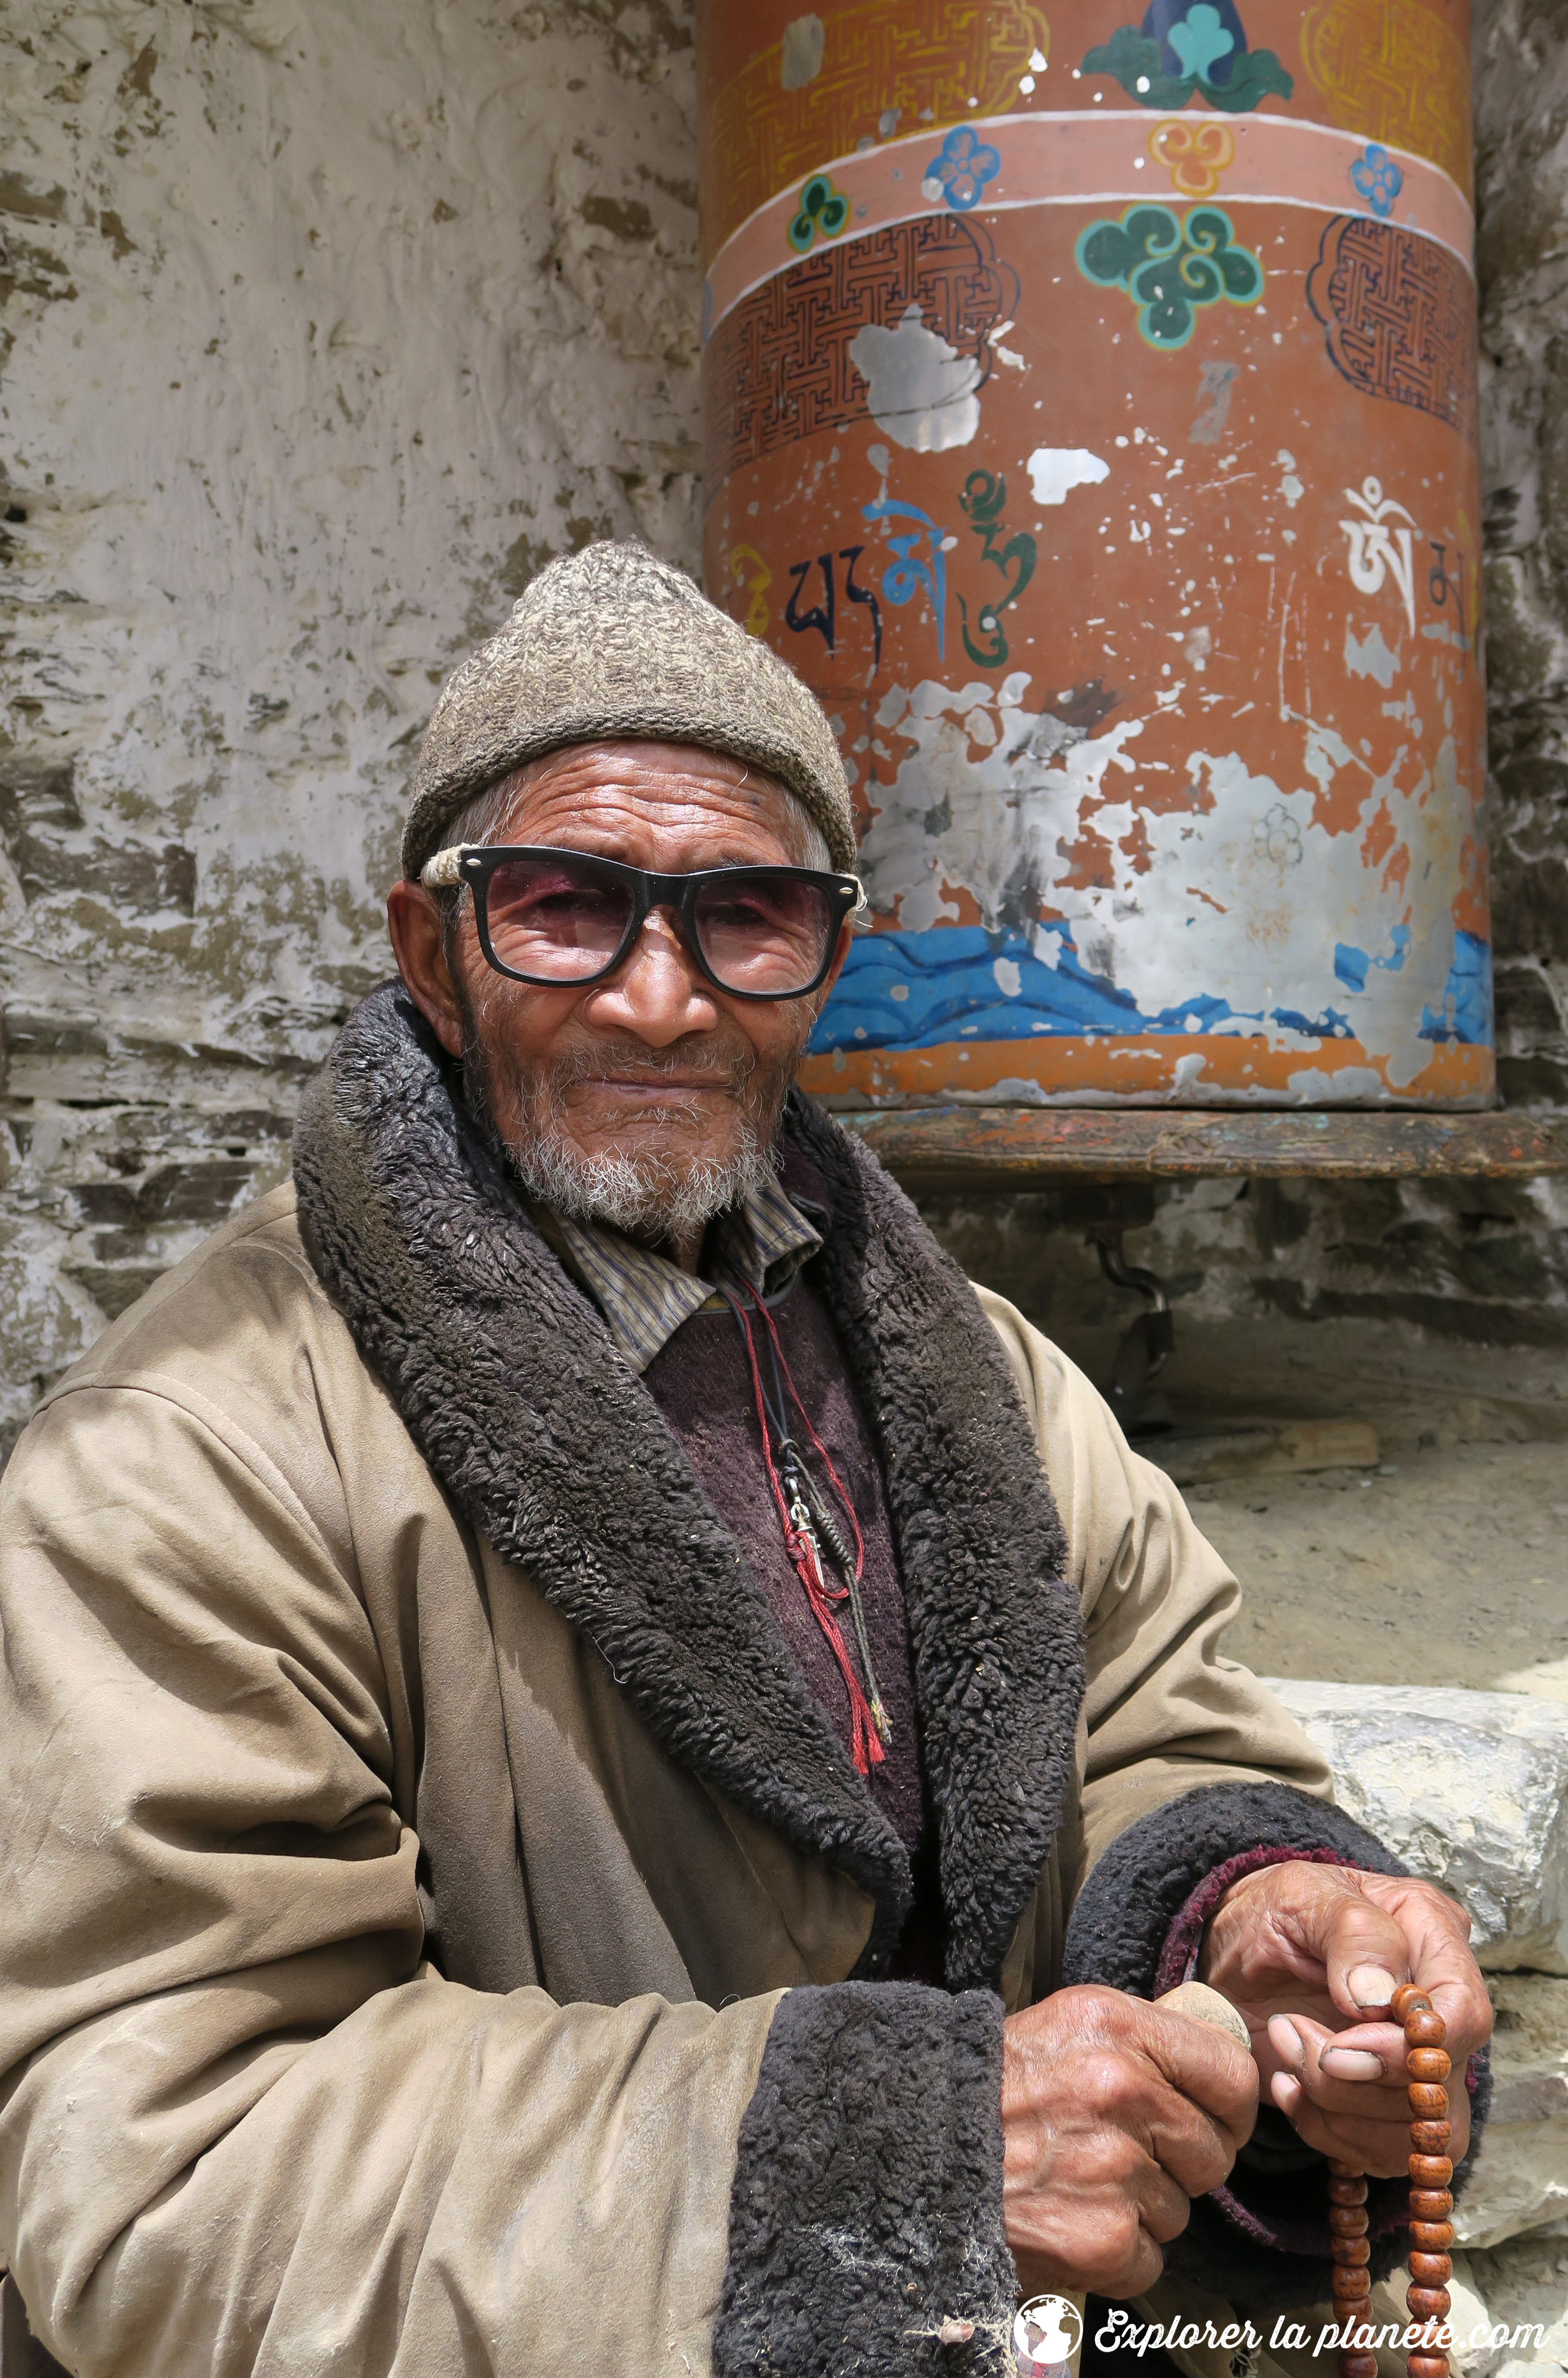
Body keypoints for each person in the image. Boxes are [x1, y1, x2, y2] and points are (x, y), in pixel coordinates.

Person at [0, 544, 1491, 2378]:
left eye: (747, 915)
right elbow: (167, 2163)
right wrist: (876, 2161)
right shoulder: (186, 1461)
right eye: (565, 906)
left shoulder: (983, 1369)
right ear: (432, 950)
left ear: (825, 955)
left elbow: (1147, 1720)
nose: (662, 997)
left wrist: (1248, 1911)